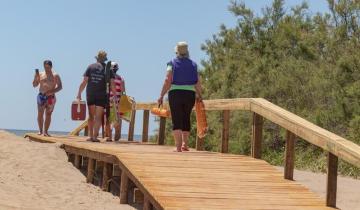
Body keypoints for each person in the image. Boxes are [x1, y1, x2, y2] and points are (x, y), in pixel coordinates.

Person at [157, 42, 202, 152]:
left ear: (177, 52)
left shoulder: (171, 63)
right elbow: (197, 82)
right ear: (187, 52)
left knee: (176, 119)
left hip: (175, 93)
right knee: (186, 117)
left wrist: (161, 95)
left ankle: (178, 147)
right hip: (190, 94)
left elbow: (167, 80)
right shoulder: (194, 65)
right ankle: (185, 144)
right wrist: (200, 95)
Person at [76, 50, 117, 142]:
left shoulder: (90, 67)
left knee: (91, 116)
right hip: (102, 95)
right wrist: (114, 96)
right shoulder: (108, 69)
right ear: (105, 59)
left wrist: (79, 93)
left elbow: (85, 81)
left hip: (90, 93)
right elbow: (112, 83)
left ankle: (90, 136)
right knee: (98, 117)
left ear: (97, 58)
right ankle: (95, 137)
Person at [32, 60, 63, 136]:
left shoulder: (55, 75)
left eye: (48, 67)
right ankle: (40, 130)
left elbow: (60, 87)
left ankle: (45, 131)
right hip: (41, 95)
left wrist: (52, 91)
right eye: (45, 67)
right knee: (40, 113)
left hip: (50, 97)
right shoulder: (40, 74)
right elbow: (34, 85)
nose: (46, 69)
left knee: (48, 114)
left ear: (51, 66)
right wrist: (36, 78)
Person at [105, 61, 125, 142]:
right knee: (117, 118)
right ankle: (117, 136)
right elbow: (123, 91)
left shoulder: (107, 78)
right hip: (118, 101)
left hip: (108, 100)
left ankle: (109, 136)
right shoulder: (121, 78)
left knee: (109, 118)